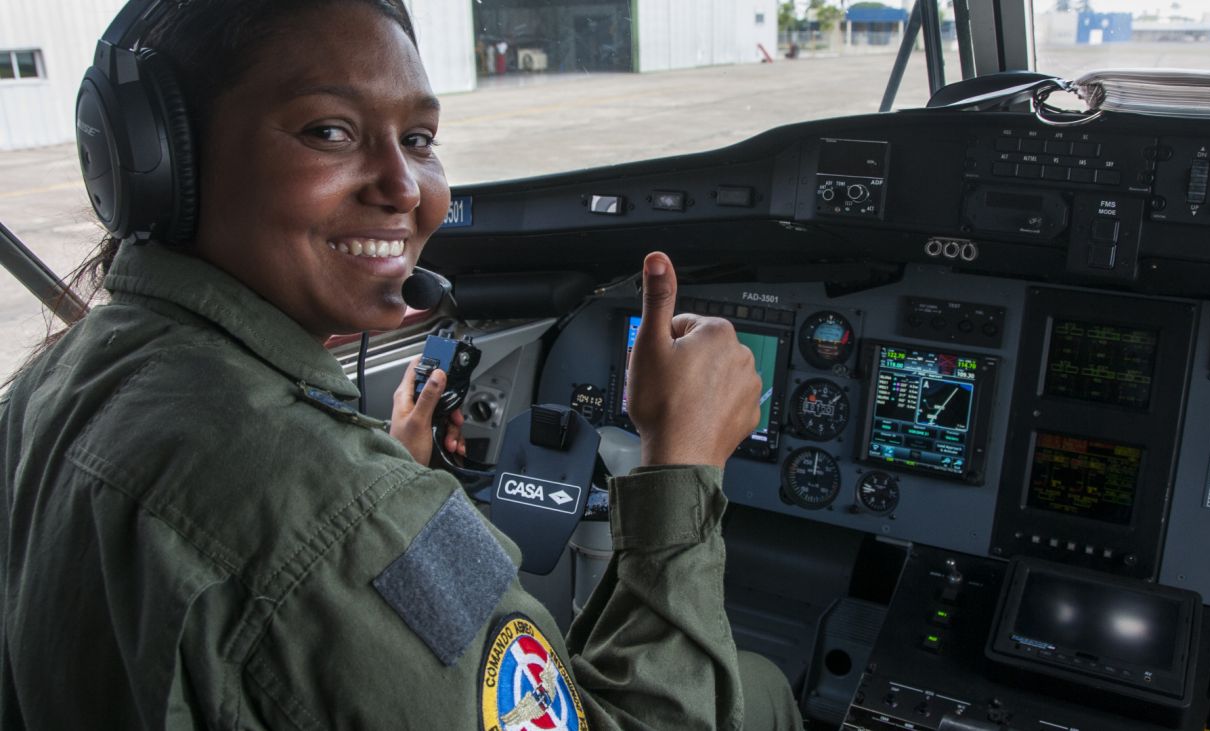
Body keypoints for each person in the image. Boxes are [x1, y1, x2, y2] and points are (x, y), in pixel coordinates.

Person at [0, 1, 803, 729]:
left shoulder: (51, 383)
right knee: (762, 685)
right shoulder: (338, 516)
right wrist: (685, 457)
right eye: (330, 131)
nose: (405, 188)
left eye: (418, 140)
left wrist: (383, 472)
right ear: (159, 160)